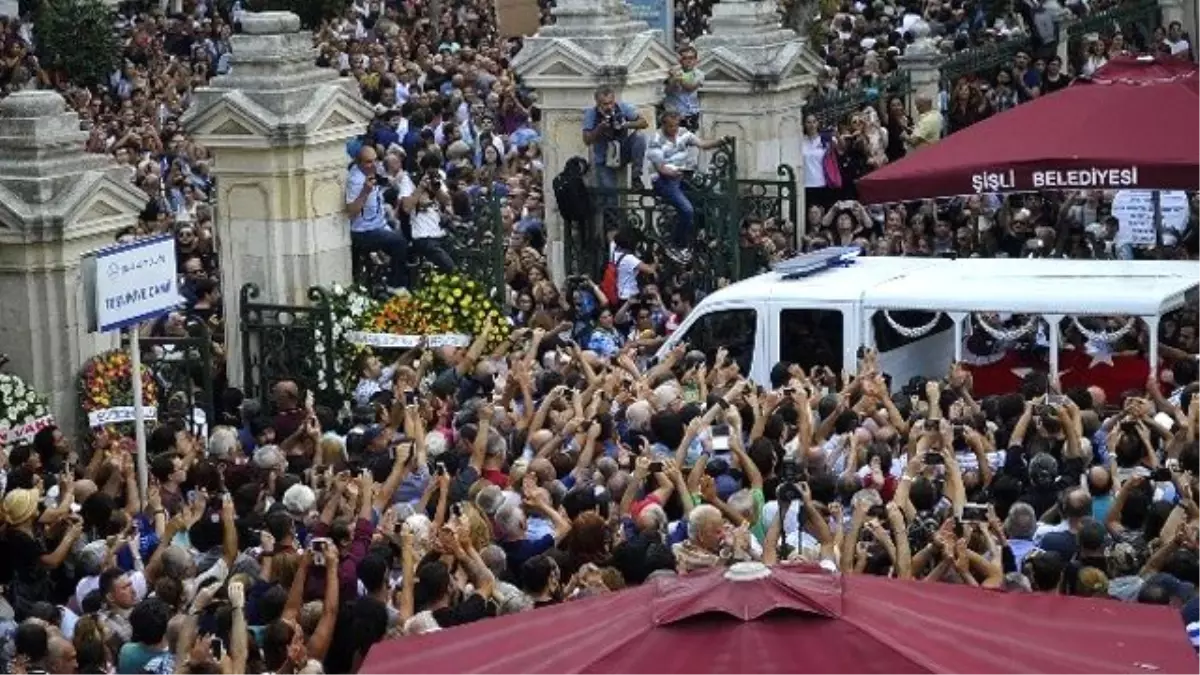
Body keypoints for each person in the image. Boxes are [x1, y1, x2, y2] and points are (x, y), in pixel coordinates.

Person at [646, 111, 725, 263]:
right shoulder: (656, 140)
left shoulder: (683, 133)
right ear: (663, 125)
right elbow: (661, 168)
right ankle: (677, 243)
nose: (674, 129)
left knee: (706, 197)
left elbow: (702, 144)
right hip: (664, 180)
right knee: (687, 210)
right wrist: (674, 173)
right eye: (671, 126)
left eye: (676, 125)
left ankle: (700, 235)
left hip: (682, 176)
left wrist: (720, 141)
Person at [346, 145, 410, 294]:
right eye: (368, 162)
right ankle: (395, 285)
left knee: (406, 238)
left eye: (375, 161)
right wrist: (364, 191)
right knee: (398, 243)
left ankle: (394, 278)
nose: (373, 165)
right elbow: (351, 212)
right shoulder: (355, 181)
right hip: (363, 231)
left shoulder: (374, 171)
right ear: (359, 163)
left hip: (378, 223)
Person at [581, 85, 649, 192]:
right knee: (610, 197)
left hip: (622, 152)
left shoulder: (623, 108)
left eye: (611, 103)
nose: (609, 107)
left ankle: (636, 177)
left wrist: (624, 125)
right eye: (605, 104)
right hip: (604, 159)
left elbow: (644, 123)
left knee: (639, 137)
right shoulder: (591, 113)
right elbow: (586, 140)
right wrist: (600, 128)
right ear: (597, 103)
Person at [662, 45, 705, 132]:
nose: (688, 61)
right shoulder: (674, 72)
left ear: (696, 60)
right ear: (680, 60)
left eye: (691, 58)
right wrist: (673, 79)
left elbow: (690, 87)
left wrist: (678, 78)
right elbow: (667, 90)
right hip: (674, 116)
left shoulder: (699, 74)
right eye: (685, 58)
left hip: (692, 114)